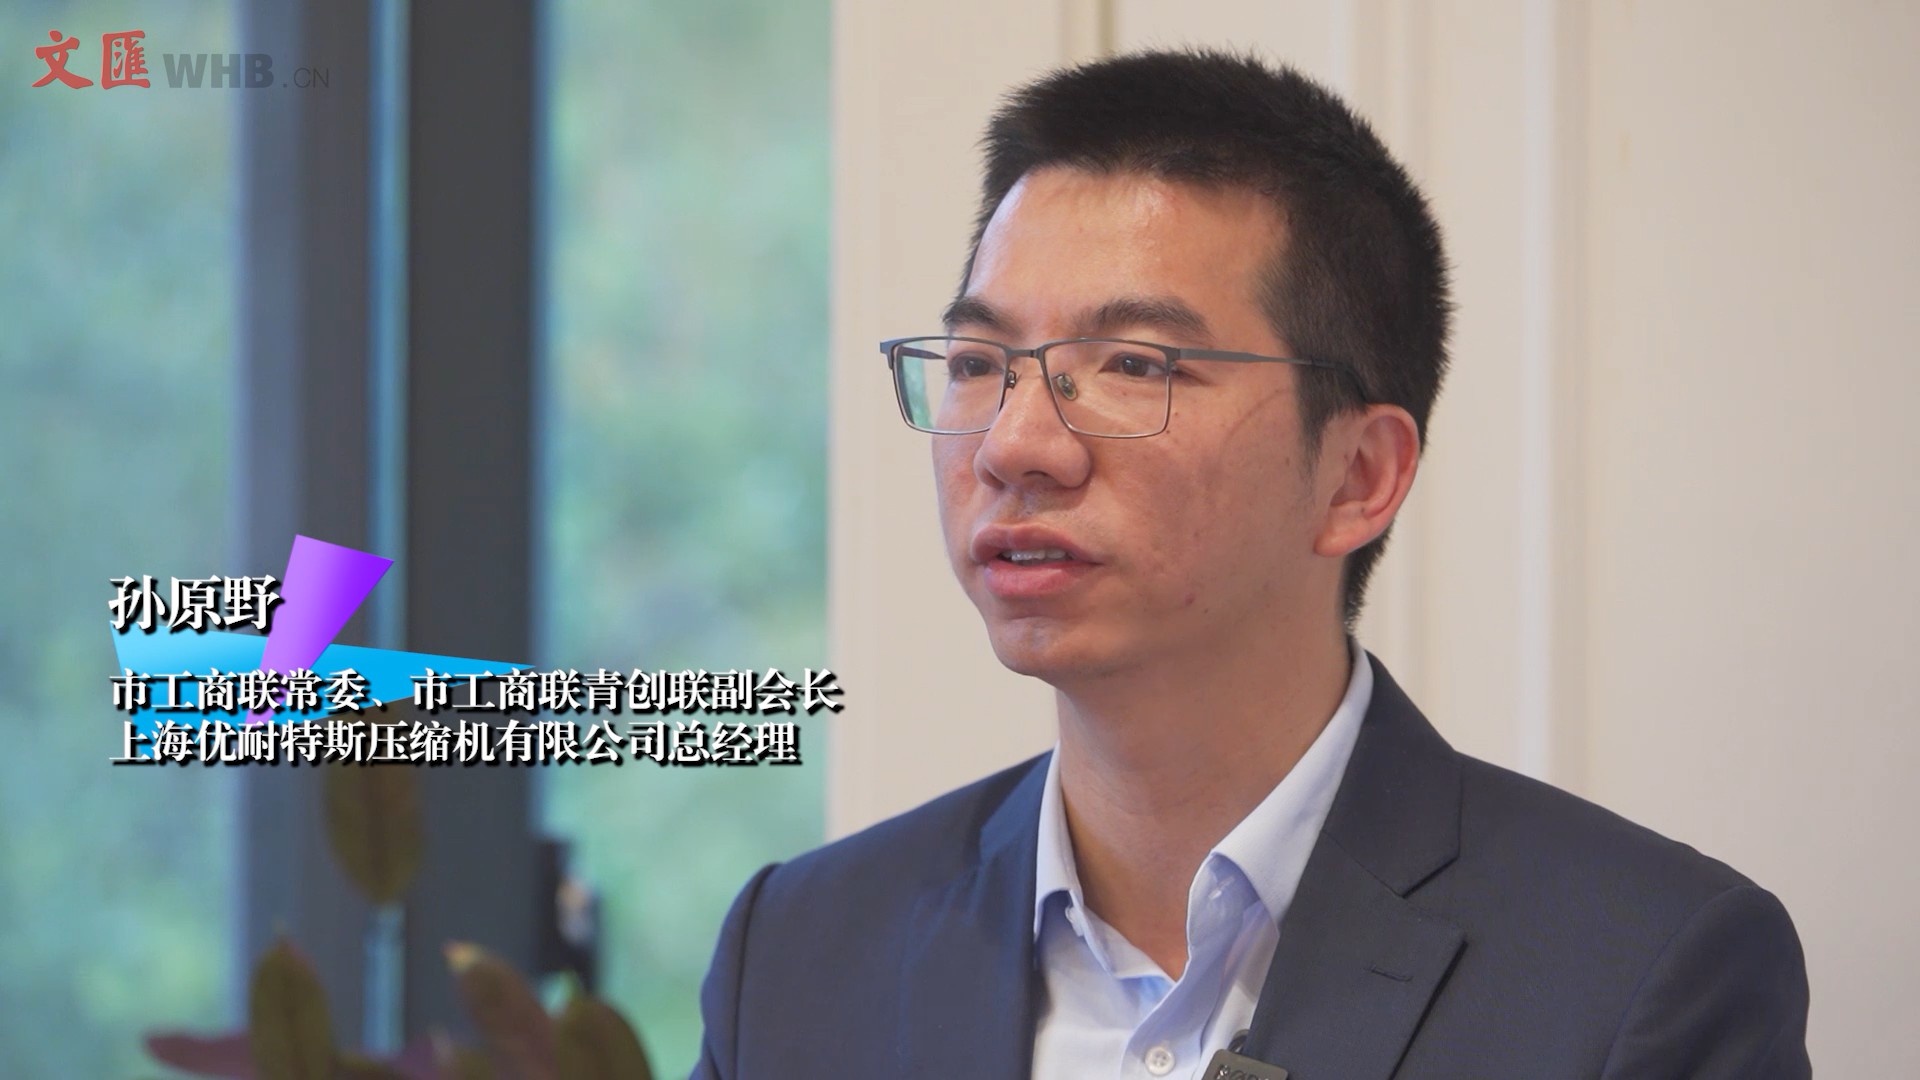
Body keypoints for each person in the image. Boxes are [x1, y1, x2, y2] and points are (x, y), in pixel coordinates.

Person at [692, 48, 1810, 1079]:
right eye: (982, 361)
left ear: (1358, 476)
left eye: (1134, 364)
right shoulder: (799, 952)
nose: (1014, 446)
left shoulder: (1640, 976)